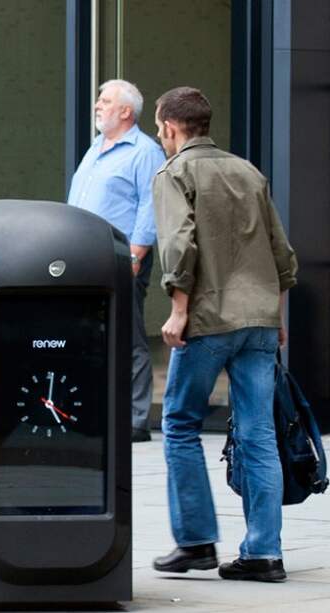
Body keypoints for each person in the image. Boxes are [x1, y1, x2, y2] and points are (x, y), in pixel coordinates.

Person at [150, 87, 297, 582]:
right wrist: (276, 317)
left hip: (208, 318)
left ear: (171, 128)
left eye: (159, 127)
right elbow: (281, 252)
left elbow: (178, 242)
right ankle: (264, 553)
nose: (159, 136)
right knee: (259, 436)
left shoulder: (175, 173)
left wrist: (177, 308)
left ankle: (195, 542)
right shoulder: (248, 172)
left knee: (180, 423)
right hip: (259, 319)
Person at [68, 79, 165, 444]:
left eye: (105, 100)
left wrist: (136, 254)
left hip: (121, 258)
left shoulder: (144, 151)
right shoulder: (97, 147)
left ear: (126, 111)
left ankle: (136, 419)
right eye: (99, 99)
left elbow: (151, 205)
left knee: (127, 336)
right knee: (90, 335)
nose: (97, 105)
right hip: (82, 257)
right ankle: (96, 412)